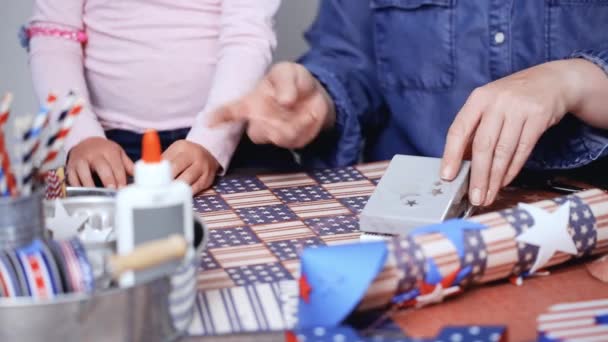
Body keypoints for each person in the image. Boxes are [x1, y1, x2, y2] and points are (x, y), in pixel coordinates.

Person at [210, 1, 608, 206]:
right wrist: (320, 99)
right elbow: (348, 59)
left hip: (588, 217)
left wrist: (576, 79)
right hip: (412, 219)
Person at [25, 0, 293, 194]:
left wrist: (210, 142)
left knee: (278, 215)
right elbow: (53, 37)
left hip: (227, 140)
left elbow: (247, 38)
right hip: (109, 146)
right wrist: (82, 136)